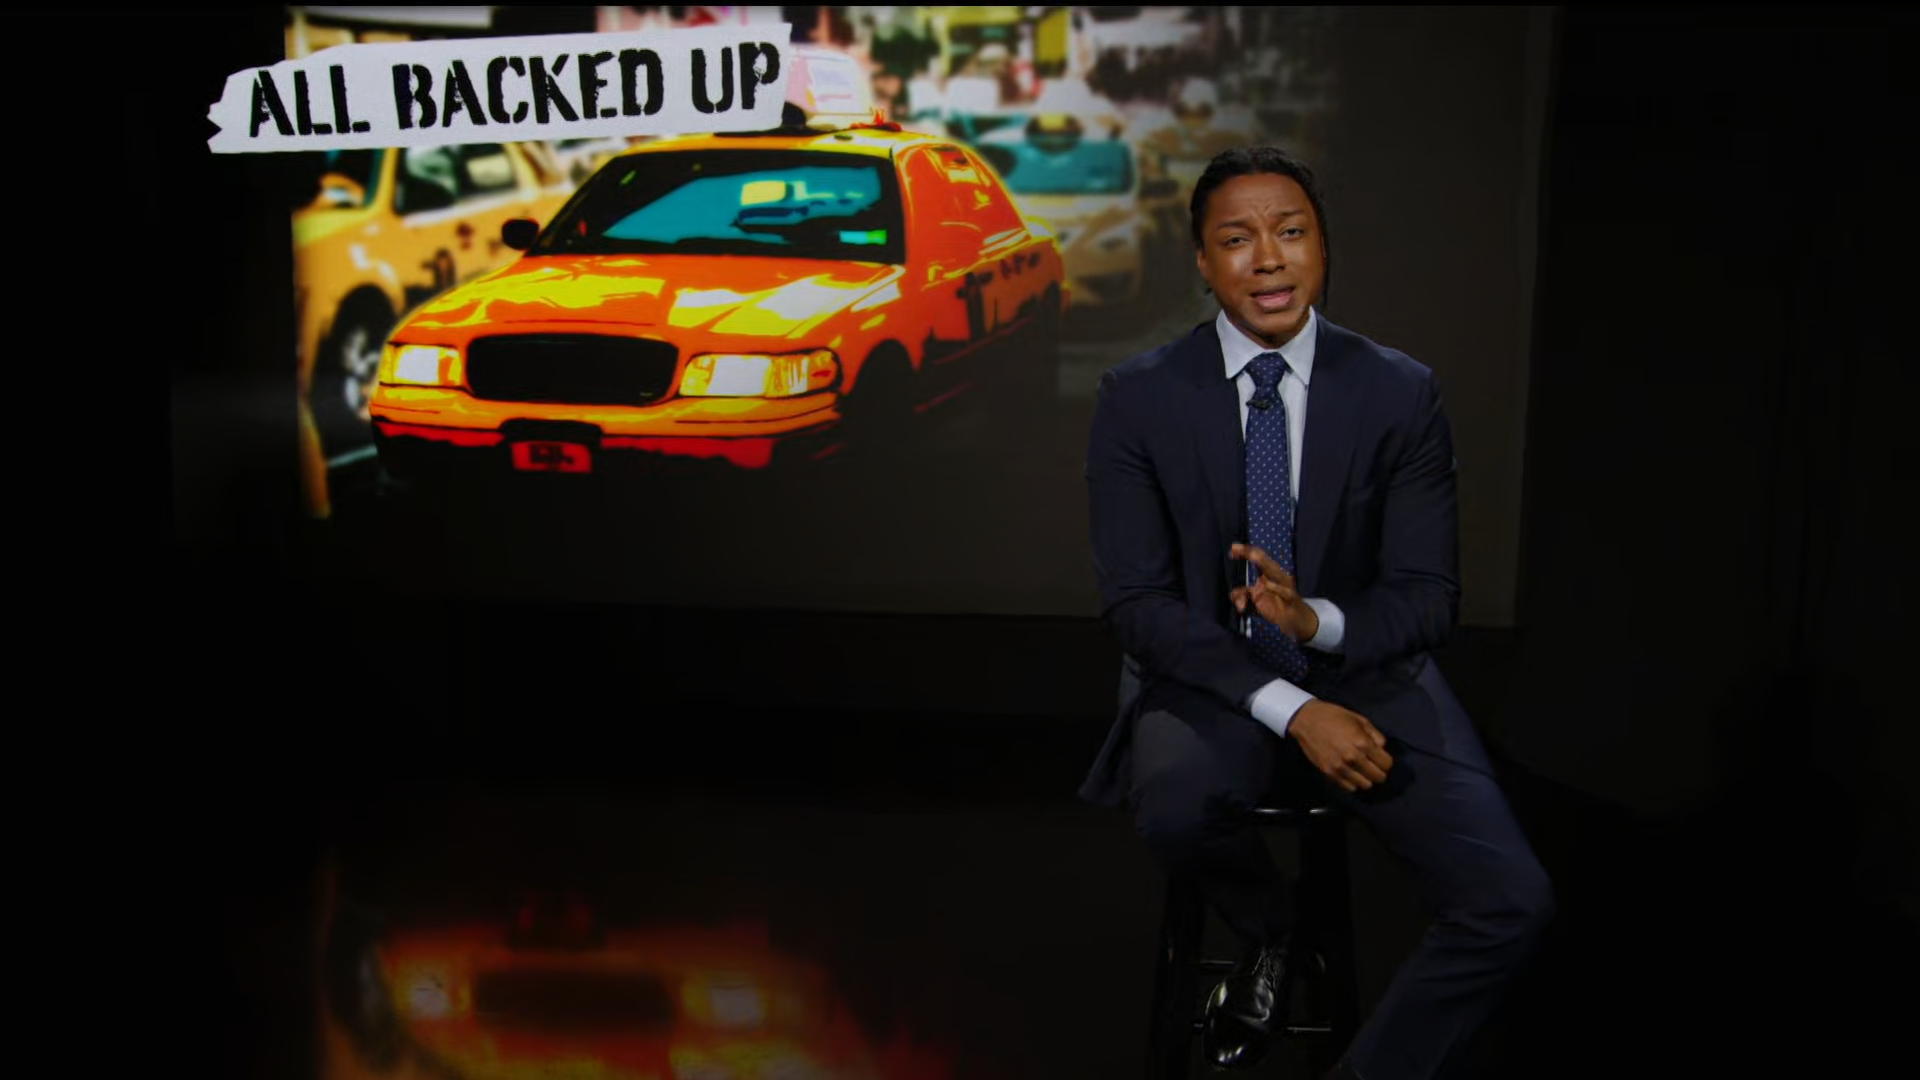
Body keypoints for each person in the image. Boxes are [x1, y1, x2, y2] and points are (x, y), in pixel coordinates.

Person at [1081, 145, 1555, 1079]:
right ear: (1204, 262)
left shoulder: (1399, 391)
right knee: (1176, 808)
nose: (1269, 258)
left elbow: (1429, 598)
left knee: (1512, 902)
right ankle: (1273, 929)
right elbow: (1138, 605)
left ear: (1323, 247)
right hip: (1209, 671)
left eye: (1291, 232)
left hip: (1365, 668)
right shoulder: (1138, 396)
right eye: (1238, 239)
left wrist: (1316, 626)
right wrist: (1296, 711)